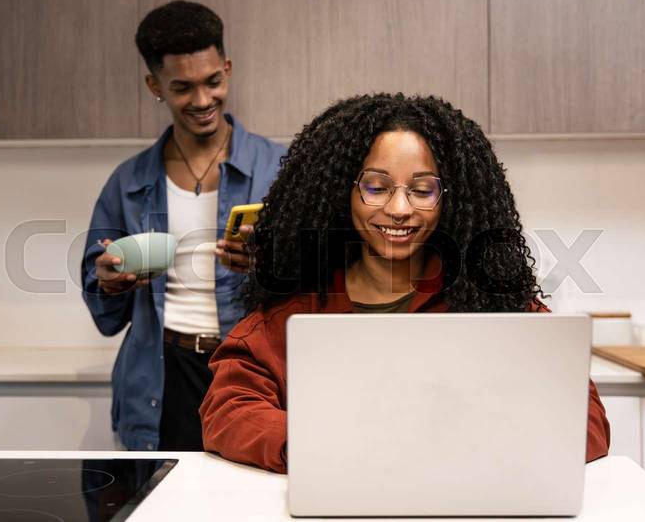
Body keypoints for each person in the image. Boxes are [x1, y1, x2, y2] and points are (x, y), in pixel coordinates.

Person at [199, 93, 611, 473]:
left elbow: (585, 422)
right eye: (376, 187)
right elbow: (229, 409)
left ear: (450, 198)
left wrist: (464, 443)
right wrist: (329, 445)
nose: (399, 209)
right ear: (343, 192)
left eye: (422, 190)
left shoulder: (495, 304)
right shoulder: (298, 309)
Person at [81, 0, 285, 452]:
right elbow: (102, 310)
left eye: (213, 81)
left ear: (227, 69)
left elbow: (322, 289)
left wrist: (267, 264)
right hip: (161, 378)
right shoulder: (128, 182)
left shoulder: (279, 170)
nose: (202, 100)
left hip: (251, 375)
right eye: (182, 87)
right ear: (155, 85)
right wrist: (111, 281)